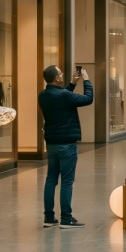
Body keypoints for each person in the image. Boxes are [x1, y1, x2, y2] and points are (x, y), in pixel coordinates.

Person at [38, 65, 93, 229]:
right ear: (56, 78)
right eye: (60, 73)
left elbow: (62, 98)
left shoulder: (43, 95)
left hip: (52, 143)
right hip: (67, 144)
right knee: (67, 182)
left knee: (51, 179)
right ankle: (66, 219)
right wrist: (86, 80)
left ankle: (49, 217)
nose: (63, 75)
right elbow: (88, 99)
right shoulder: (63, 95)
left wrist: (73, 83)